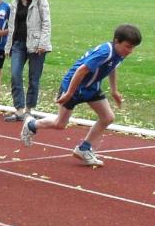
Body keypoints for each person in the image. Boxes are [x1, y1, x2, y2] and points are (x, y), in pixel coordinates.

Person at [20, 24, 142, 167]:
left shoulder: (120, 53)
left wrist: (114, 90)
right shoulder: (105, 52)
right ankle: (31, 124)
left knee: (108, 117)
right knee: (60, 124)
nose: (130, 51)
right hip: (73, 86)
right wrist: (69, 93)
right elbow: (81, 71)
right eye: (128, 46)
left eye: (133, 47)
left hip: (91, 88)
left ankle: (84, 149)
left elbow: (112, 67)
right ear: (116, 41)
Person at [3, 0, 52, 122]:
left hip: (36, 44)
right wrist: (8, 46)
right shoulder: (14, 2)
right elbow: (11, 26)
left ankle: (30, 110)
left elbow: (46, 22)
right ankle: (19, 110)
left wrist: (43, 43)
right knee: (15, 74)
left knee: (33, 78)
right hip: (18, 44)